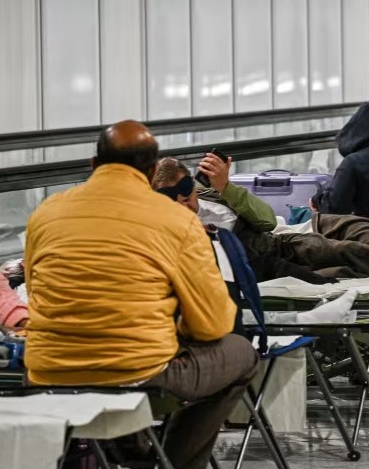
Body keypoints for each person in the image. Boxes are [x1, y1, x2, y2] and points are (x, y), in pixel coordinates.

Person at [23, 121, 257, 469]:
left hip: (46, 369)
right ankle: (172, 463)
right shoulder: (176, 220)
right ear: (151, 171)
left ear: (93, 164)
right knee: (240, 352)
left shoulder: (45, 213)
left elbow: (34, 288)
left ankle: (133, 454)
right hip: (136, 371)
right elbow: (212, 324)